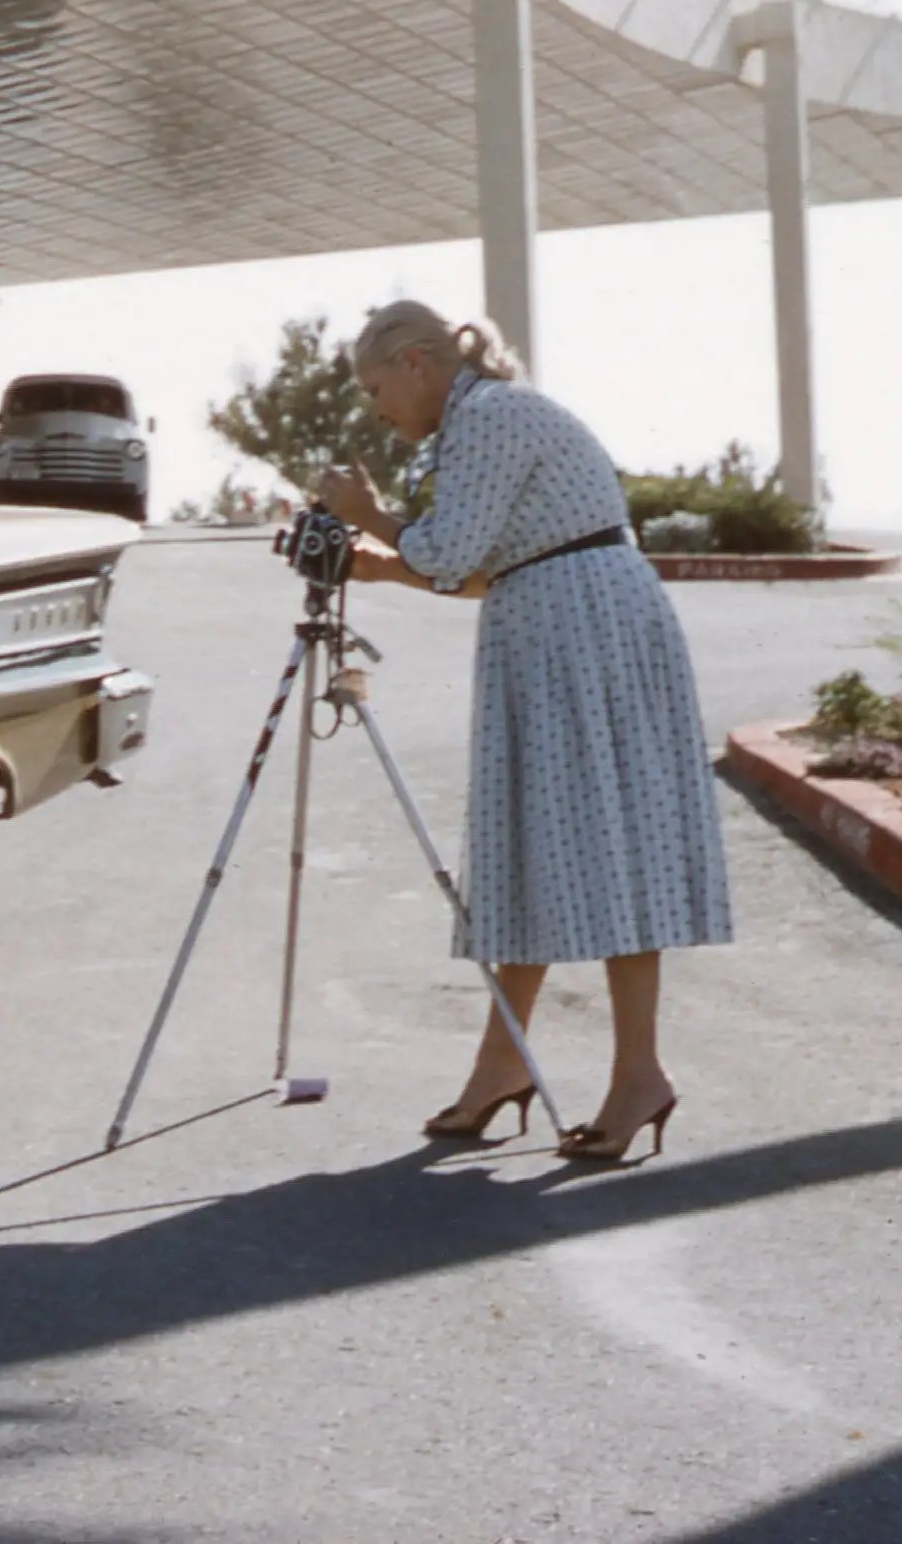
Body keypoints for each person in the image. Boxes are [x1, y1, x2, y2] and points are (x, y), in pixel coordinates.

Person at [312, 302, 734, 1163]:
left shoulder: (490, 416)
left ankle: (636, 1075)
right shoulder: (479, 422)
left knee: (609, 845)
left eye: (374, 385)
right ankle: (501, 1067)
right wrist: (383, 562)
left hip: (583, 631)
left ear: (418, 360)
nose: (375, 407)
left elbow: (447, 549)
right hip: (557, 622)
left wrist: (368, 512)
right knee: (526, 849)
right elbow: (480, 566)